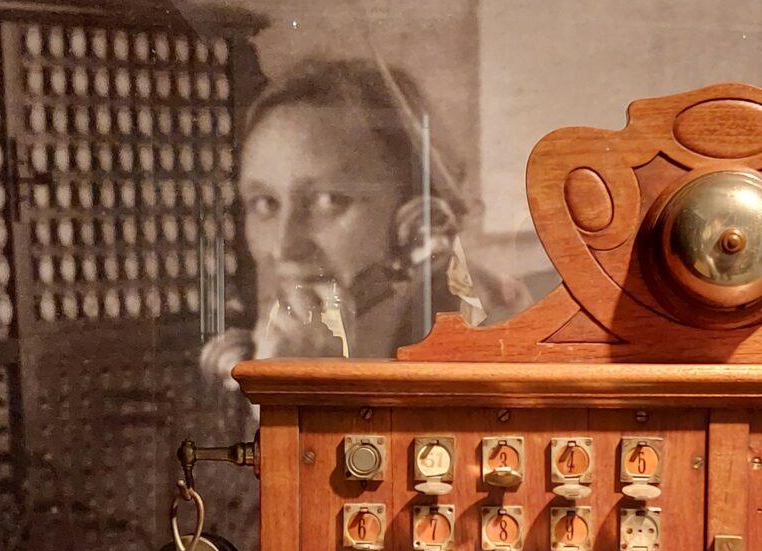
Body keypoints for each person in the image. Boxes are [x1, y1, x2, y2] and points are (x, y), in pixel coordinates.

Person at [200, 57, 522, 388]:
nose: (284, 247)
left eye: (329, 200)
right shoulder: (270, 347)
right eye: (265, 203)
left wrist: (320, 395)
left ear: (420, 225)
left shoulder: (499, 354)